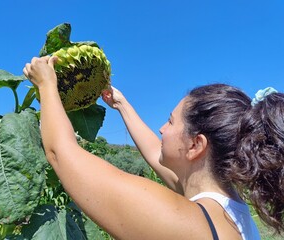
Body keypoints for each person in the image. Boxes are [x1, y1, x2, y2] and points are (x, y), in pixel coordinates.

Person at [23, 56, 284, 240]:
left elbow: (61, 153)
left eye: (170, 121)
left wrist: (47, 85)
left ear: (196, 145)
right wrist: (122, 105)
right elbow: (154, 153)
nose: (162, 129)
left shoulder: (186, 225)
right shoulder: (230, 212)